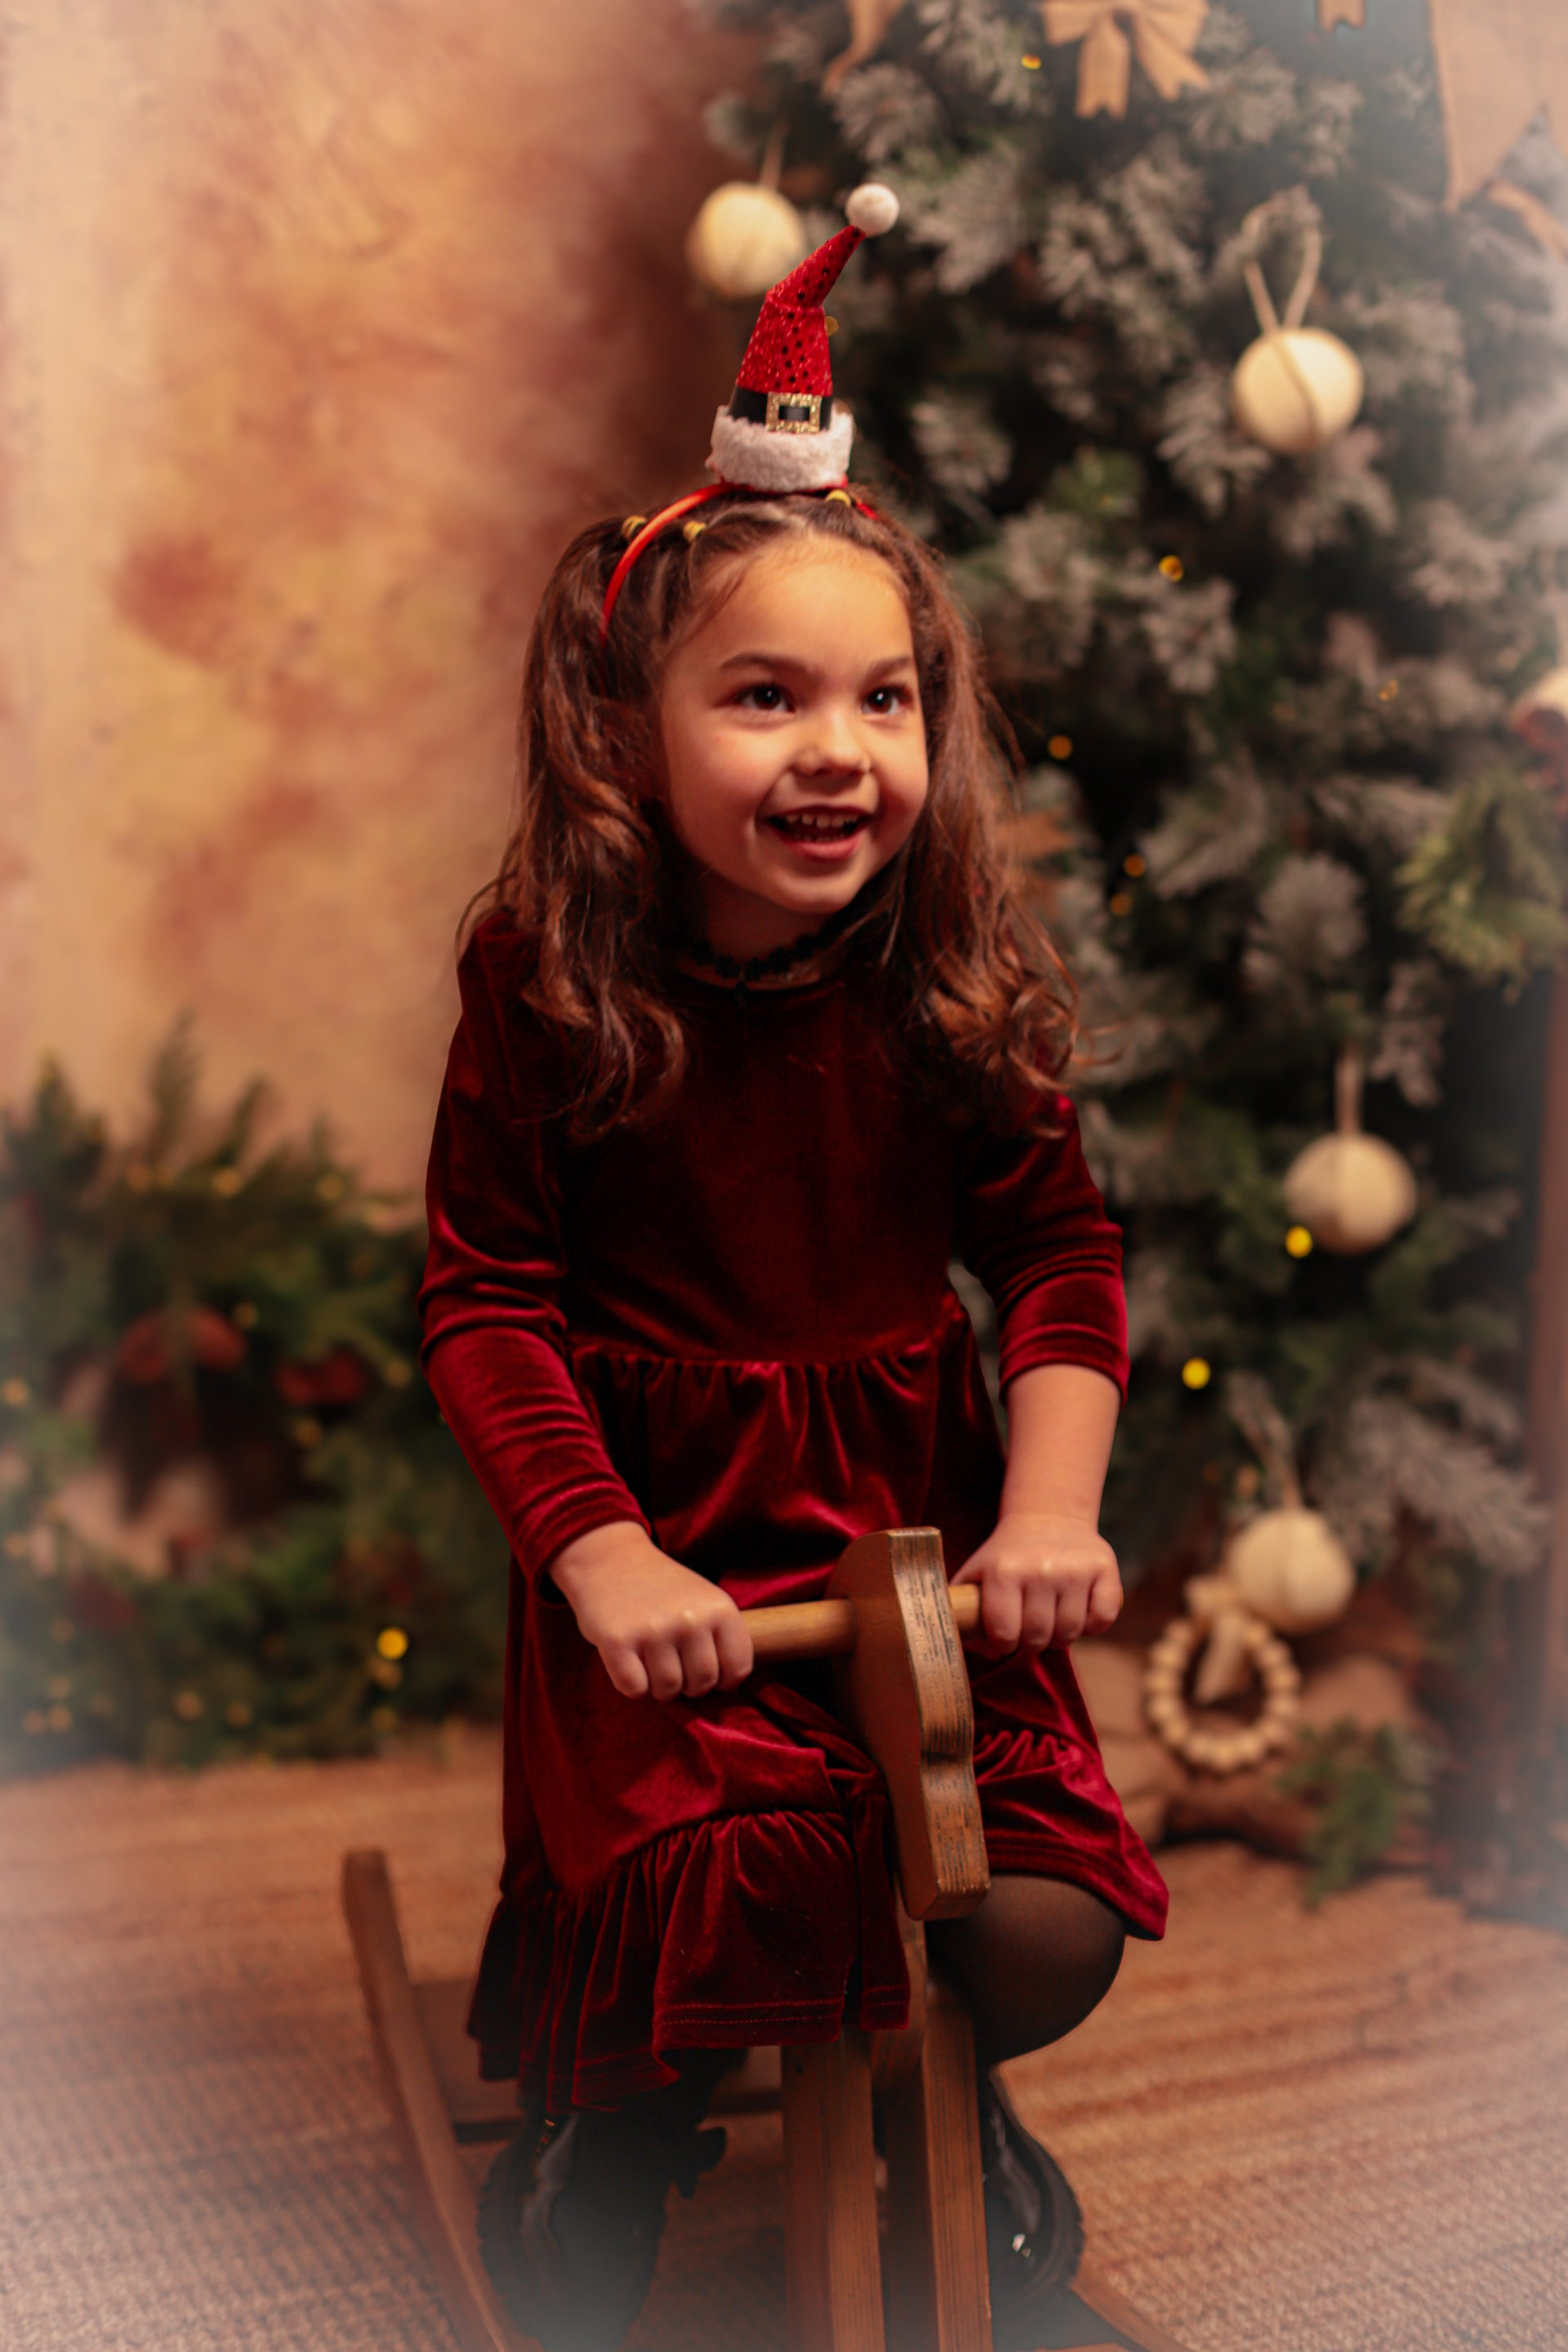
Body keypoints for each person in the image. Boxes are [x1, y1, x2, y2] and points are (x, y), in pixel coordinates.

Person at [419, 185, 1168, 2352]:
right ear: (624, 732)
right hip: (671, 1548)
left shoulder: (941, 973)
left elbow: (1055, 1252)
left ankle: (952, 2097)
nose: (839, 748)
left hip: (914, 1541)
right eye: (765, 696)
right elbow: (487, 1300)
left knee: (1034, 1921)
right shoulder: (550, 983)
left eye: (885, 698)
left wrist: (1047, 1518)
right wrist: (601, 1560)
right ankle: (612, 2115)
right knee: (700, 1899)